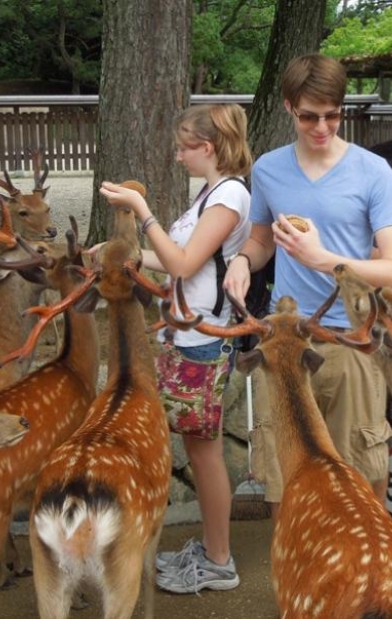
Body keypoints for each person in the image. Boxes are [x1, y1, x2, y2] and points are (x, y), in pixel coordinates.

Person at [224, 53, 392, 519]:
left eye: (332, 115)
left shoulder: (373, 171)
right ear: (288, 107)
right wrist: (245, 261)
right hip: (286, 341)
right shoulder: (268, 168)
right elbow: (263, 237)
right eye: (309, 116)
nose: (322, 127)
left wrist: (326, 260)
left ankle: (370, 574)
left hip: (352, 339)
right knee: (286, 480)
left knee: (363, 472)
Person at [99, 103, 252, 594]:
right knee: (197, 446)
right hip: (186, 337)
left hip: (203, 342)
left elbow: (183, 264)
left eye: (184, 146)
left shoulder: (229, 196)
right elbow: (177, 260)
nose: (178, 155)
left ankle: (220, 560)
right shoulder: (210, 193)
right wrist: (119, 256)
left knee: (204, 452)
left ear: (207, 148)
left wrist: (143, 214)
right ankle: (211, 548)